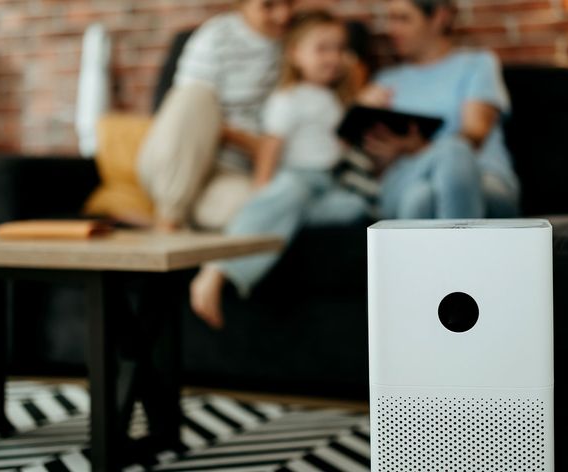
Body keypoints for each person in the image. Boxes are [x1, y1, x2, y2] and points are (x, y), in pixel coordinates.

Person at [190, 10, 369, 329]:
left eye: (340, 48)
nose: (334, 57)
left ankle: (281, 216)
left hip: (328, 187)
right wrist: (262, 187)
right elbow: (271, 146)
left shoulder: (337, 99)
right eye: (322, 48)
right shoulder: (288, 99)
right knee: (289, 193)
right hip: (297, 178)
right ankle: (216, 270)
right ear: (295, 54)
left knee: (355, 206)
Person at [138, 0, 293, 232]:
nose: (283, 15)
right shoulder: (215, 37)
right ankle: (169, 217)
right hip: (178, 161)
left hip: (231, 173)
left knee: (259, 208)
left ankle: (180, 216)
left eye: (290, 3)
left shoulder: (296, 44)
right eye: (268, 6)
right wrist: (255, 144)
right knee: (194, 96)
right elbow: (189, 116)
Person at [359, 0, 520, 219]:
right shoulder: (383, 83)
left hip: (481, 176)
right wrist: (362, 113)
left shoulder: (477, 65)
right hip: (408, 178)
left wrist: (415, 148)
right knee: (419, 193)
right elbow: (375, 167)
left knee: (443, 166)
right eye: (390, 19)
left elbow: (473, 136)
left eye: (403, 19)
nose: (392, 29)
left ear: (439, 17)